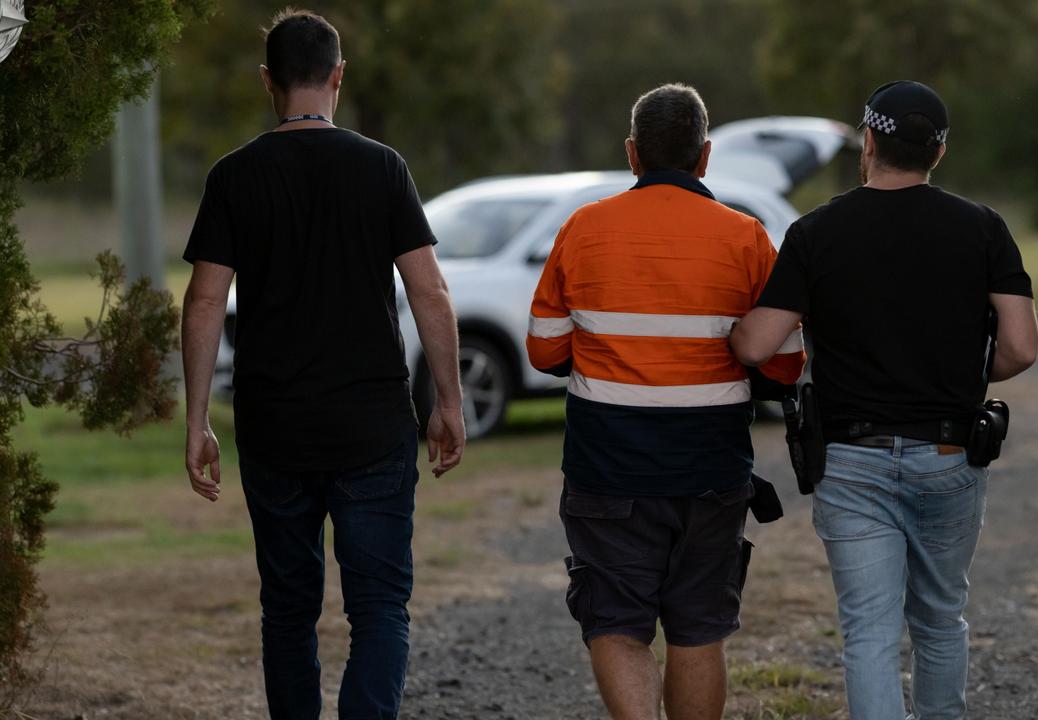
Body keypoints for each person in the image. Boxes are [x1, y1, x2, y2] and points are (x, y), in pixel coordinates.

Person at [180, 9, 466, 718]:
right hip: (371, 427)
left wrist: (196, 422)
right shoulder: (382, 167)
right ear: (338, 77)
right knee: (378, 610)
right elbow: (429, 288)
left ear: (266, 81)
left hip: (275, 429)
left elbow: (204, 301)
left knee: (286, 611)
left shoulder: (234, 177)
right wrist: (449, 403)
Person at [730, 80, 1038, 719]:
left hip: (851, 458)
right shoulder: (984, 229)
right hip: (951, 449)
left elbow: (757, 347)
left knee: (869, 633)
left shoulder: (817, 232)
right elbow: (1021, 347)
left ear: (868, 142)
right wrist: (965, 376)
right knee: (939, 620)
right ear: (940, 152)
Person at [526, 83, 805, 720]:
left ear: (632, 154)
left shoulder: (583, 228)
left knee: (618, 624)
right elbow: (787, 362)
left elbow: (544, 352)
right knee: (699, 628)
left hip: (608, 467)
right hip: (711, 467)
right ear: (704, 157)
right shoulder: (747, 237)